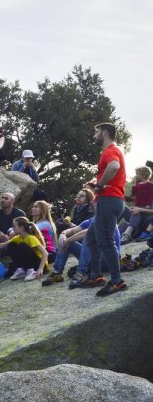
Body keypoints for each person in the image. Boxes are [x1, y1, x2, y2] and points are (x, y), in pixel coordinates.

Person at [86, 123, 128, 297]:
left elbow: (114, 167)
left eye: (96, 132)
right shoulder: (112, 150)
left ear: (104, 133)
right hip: (113, 200)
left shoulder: (110, 150)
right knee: (92, 237)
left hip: (109, 199)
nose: (94, 136)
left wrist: (100, 185)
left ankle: (117, 281)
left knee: (106, 241)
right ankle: (96, 276)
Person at [0, 217, 48, 281]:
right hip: (31, 264)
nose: (12, 228)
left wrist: (40, 269)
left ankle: (32, 271)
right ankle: (21, 270)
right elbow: (2, 245)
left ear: (21, 228)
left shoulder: (31, 238)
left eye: (14, 226)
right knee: (11, 245)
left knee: (22, 246)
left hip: (40, 265)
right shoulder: (18, 237)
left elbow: (45, 253)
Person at [121, 166, 153, 243]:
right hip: (138, 209)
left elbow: (150, 196)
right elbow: (135, 194)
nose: (136, 176)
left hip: (147, 212)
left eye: (138, 174)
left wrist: (146, 206)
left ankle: (127, 234)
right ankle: (110, 227)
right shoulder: (138, 184)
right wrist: (135, 184)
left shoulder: (150, 185)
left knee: (136, 211)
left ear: (143, 175)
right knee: (123, 207)